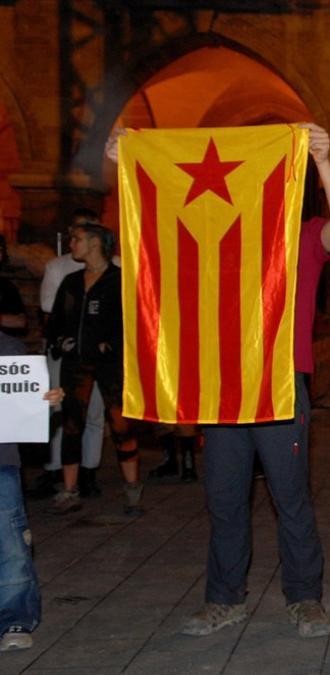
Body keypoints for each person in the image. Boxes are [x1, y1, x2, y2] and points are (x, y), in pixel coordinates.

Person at [159, 123, 330, 639]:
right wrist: (126, 161)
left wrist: (321, 161)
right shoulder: (219, 236)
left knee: (290, 500)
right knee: (224, 500)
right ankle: (224, 599)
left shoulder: (304, 237)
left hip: (282, 388)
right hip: (222, 389)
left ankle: (305, 598)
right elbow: (158, 214)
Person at [44, 221, 143, 517]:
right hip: (75, 363)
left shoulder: (120, 281)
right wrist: (60, 341)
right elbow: (55, 319)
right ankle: (69, 491)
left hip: (111, 365)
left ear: (95, 243)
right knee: (72, 422)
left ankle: (133, 490)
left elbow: (134, 320)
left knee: (120, 423)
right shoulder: (72, 282)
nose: (71, 244)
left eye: (77, 239)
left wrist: (110, 345)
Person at [30, 209, 113, 501]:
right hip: (66, 351)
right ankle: (56, 469)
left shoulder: (115, 268)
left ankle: (88, 471)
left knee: (95, 414)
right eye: (73, 234)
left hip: (97, 354)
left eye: (80, 235)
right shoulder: (59, 267)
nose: (73, 241)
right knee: (61, 409)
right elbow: (49, 307)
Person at [0, 332, 63, 653]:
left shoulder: (8, 348)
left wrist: (47, 403)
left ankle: (15, 616)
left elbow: (22, 400)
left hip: (1, 462)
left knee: (10, 545)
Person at [0, 234, 27, 337]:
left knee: (15, 347)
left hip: (4, 343)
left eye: (0, 250)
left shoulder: (7, 286)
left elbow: (20, 321)